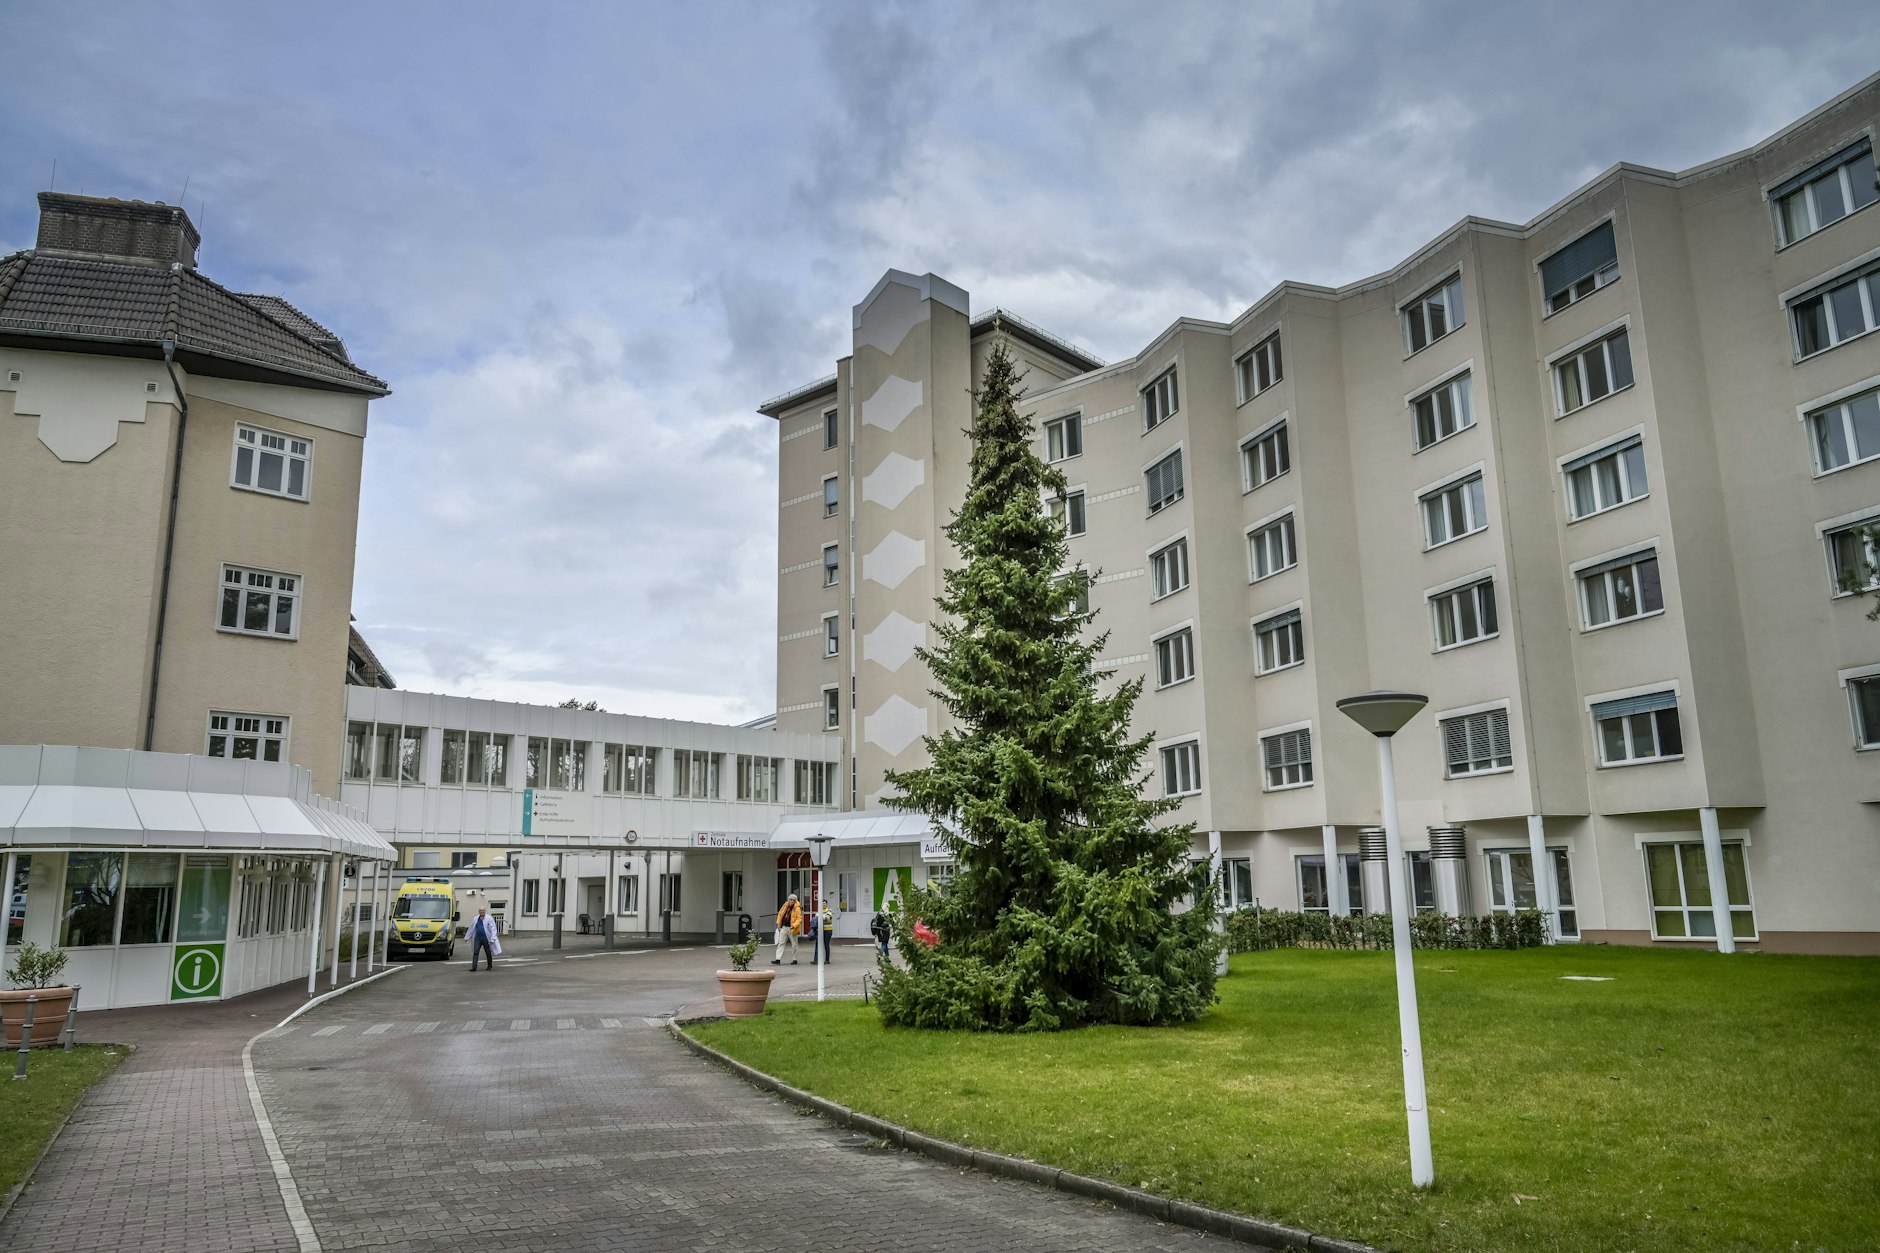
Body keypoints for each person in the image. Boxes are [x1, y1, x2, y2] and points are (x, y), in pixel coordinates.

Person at [771, 894, 802, 965]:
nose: (792, 901)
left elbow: (799, 919)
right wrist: (778, 923)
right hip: (784, 927)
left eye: (793, 900)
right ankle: (777, 959)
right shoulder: (785, 905)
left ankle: (795, 959)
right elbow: (780, 914)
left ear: (795, 900)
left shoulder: (797, 908)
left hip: (792, 928)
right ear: (788, 899)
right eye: (790, 899)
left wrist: (793, 926)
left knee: (794, 945)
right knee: (781, 943)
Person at [468, 906, 501, 971]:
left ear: (485, 911)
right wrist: (467, 937)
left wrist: (493, 938)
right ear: (479, 911)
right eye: (480, 910)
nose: (481, 912)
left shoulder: (489, 918)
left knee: (488, 952)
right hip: (477, 938)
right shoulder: (475, 919)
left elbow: (493, 929)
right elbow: (471, 928)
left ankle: (489, 965)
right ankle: (474, 967)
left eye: (483, 910)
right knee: (475, 952)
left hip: (486, 939)